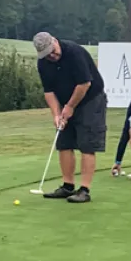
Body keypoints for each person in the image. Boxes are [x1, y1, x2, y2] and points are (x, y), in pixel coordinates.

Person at [33, 31, 107, 203]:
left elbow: (84, 84)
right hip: (66, 101)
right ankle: (67, 186)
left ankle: (84, 190)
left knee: (87, 143)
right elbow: (49, 91)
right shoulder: (43, 63)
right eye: (47, 54)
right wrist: (57, 114)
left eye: (52, 50)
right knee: (63, 141)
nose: (52, 55)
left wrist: (70, 107)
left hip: (91, 99)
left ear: (55, 41)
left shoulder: (74, 52)